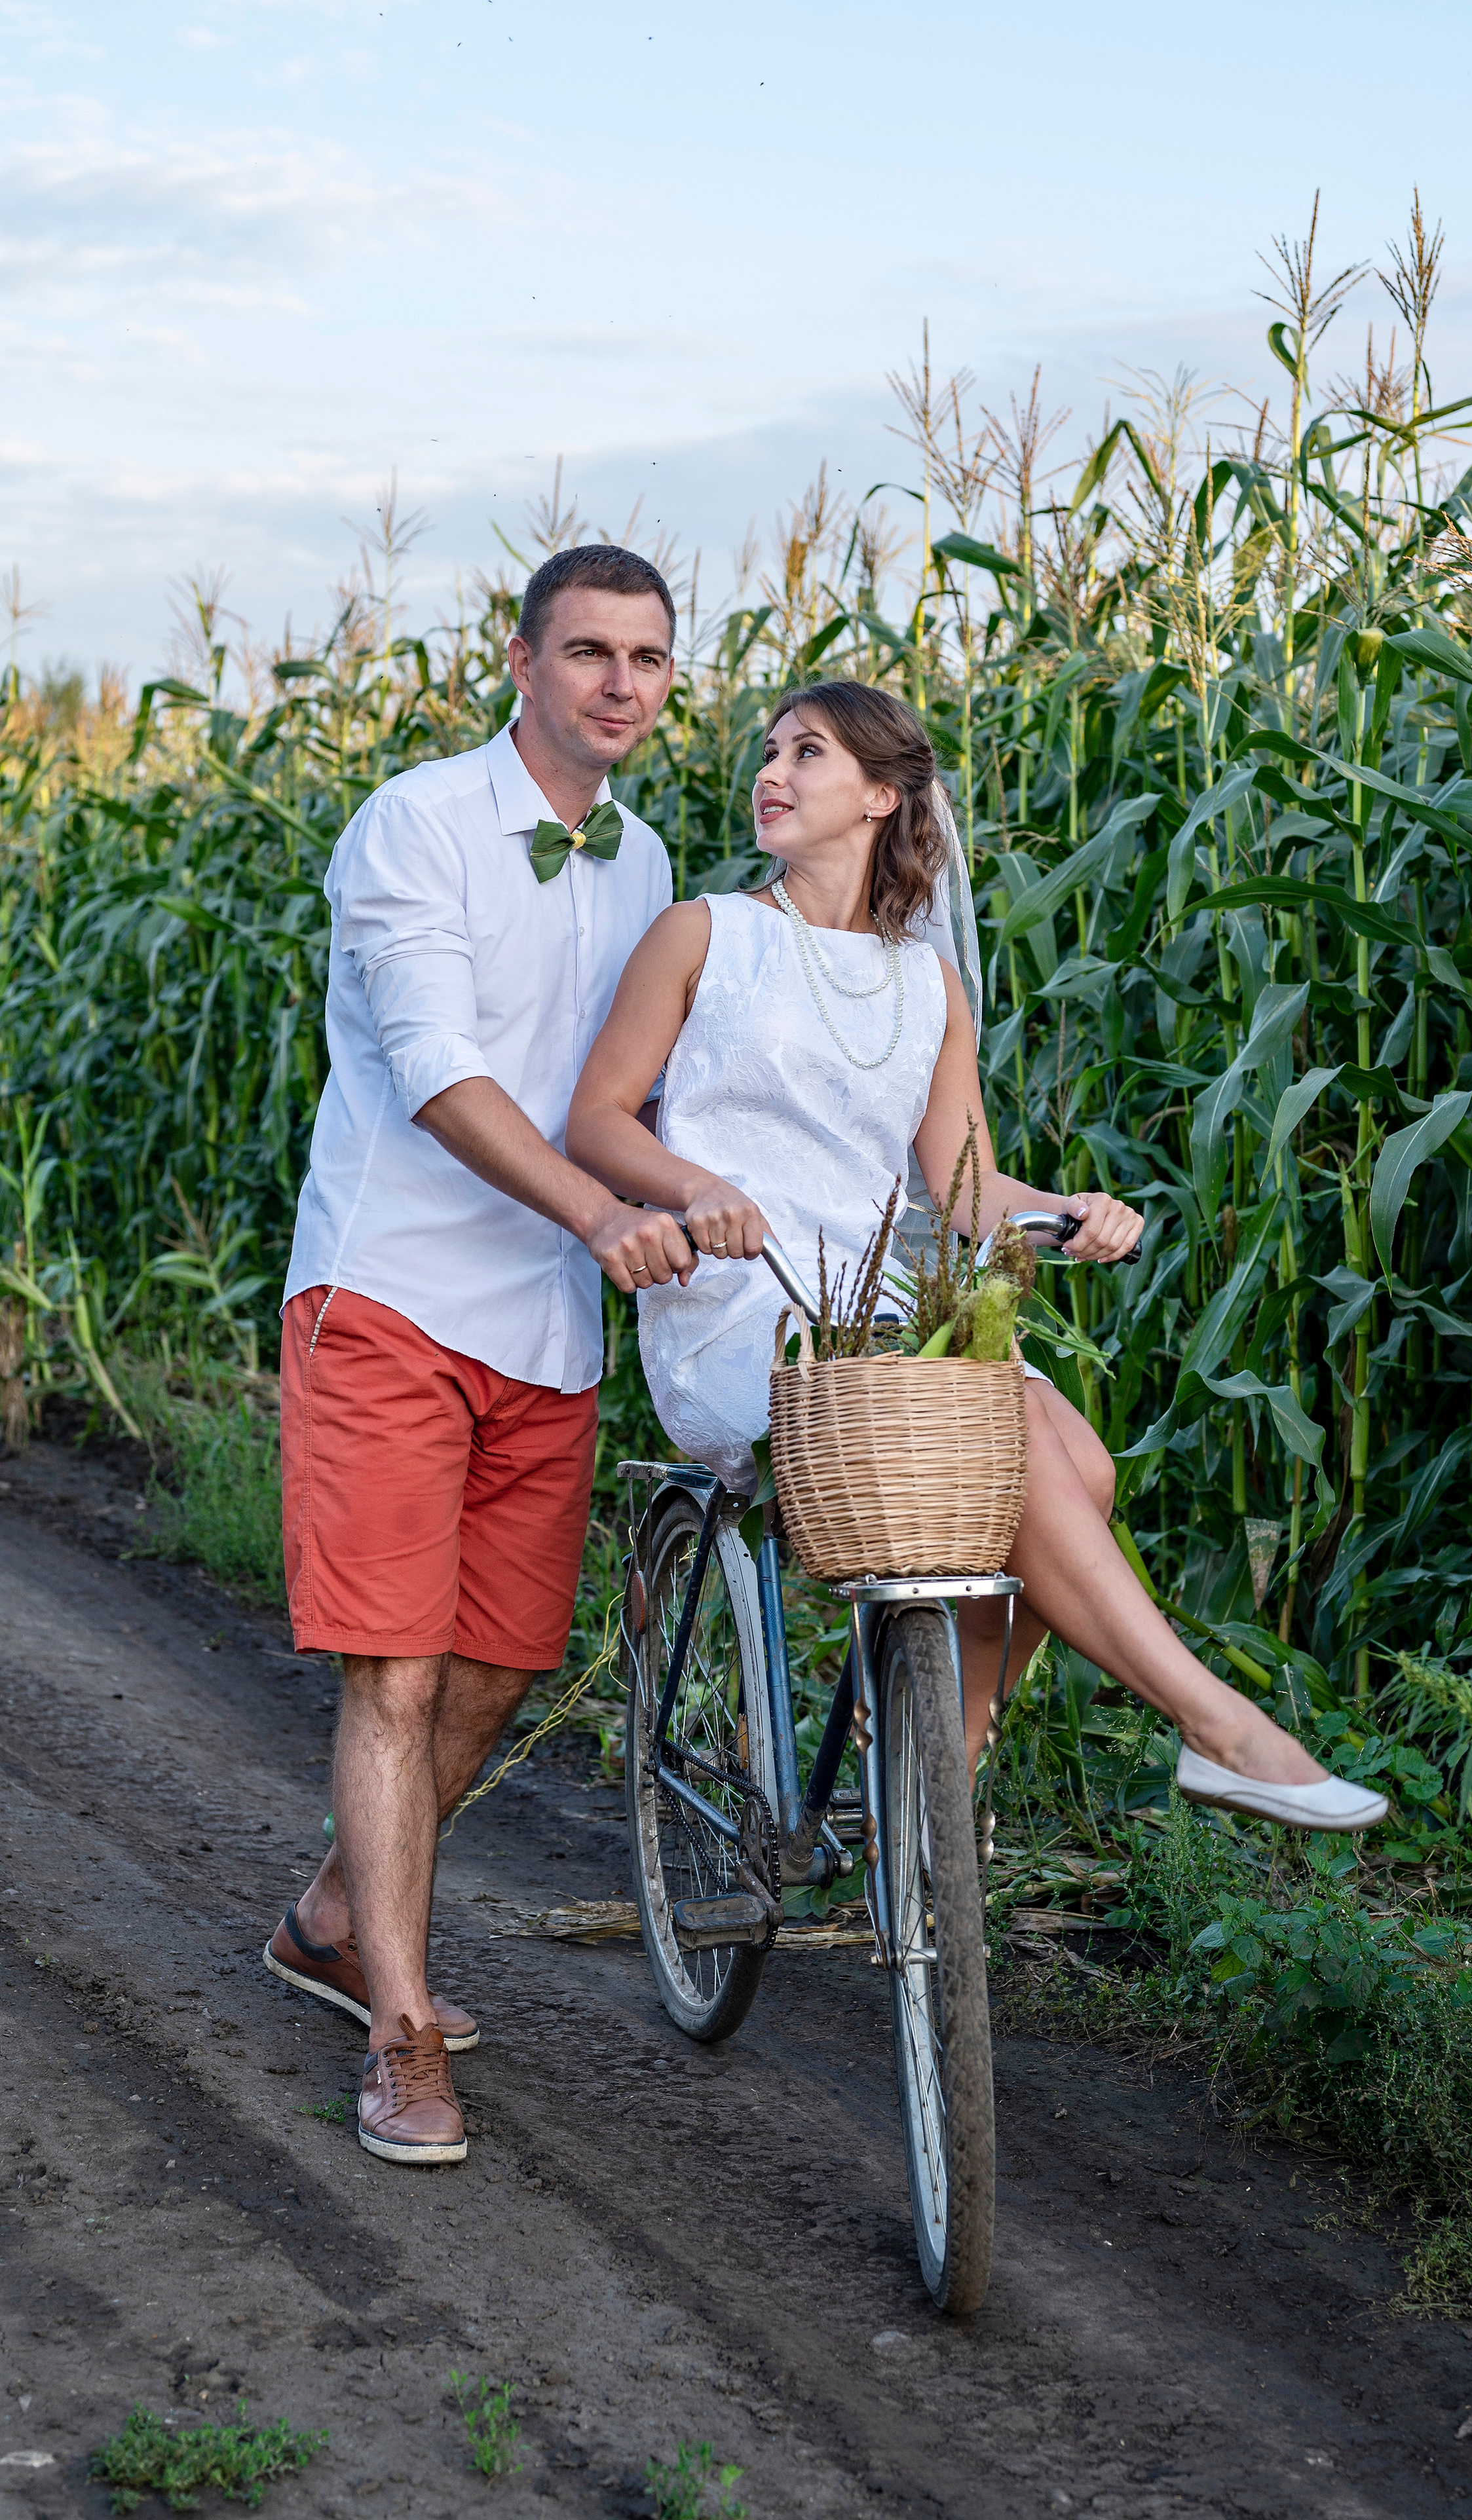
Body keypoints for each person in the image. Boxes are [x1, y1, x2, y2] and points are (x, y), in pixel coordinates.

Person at [566, 680, 1387, 1834]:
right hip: (747, 1304)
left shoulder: (928, 982)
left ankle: (930, 1765)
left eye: (810, 753)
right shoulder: (704, 933)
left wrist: (1071, 1208)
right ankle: (1218, 1727)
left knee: (1083, 1471)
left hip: (884, 1304)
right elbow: (598, 1119)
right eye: (771, 752)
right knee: (1026, 1460)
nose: (773, 773)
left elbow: (963, 1187)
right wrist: (698, 1187)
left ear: (882, 797)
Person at [264, 546, 696, 2169]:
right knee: (396, 1668)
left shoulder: (650, 866)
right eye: (586, 650)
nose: (617, 682)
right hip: (389, 1291)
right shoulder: (417, 825)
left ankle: (329, 1916)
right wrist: (597, 1209)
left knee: (499, 1671)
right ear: (518, 661)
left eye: (646, 658)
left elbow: (651, 1091)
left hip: (547, 1324)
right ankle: (401, 2030)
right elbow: (437, 1070)